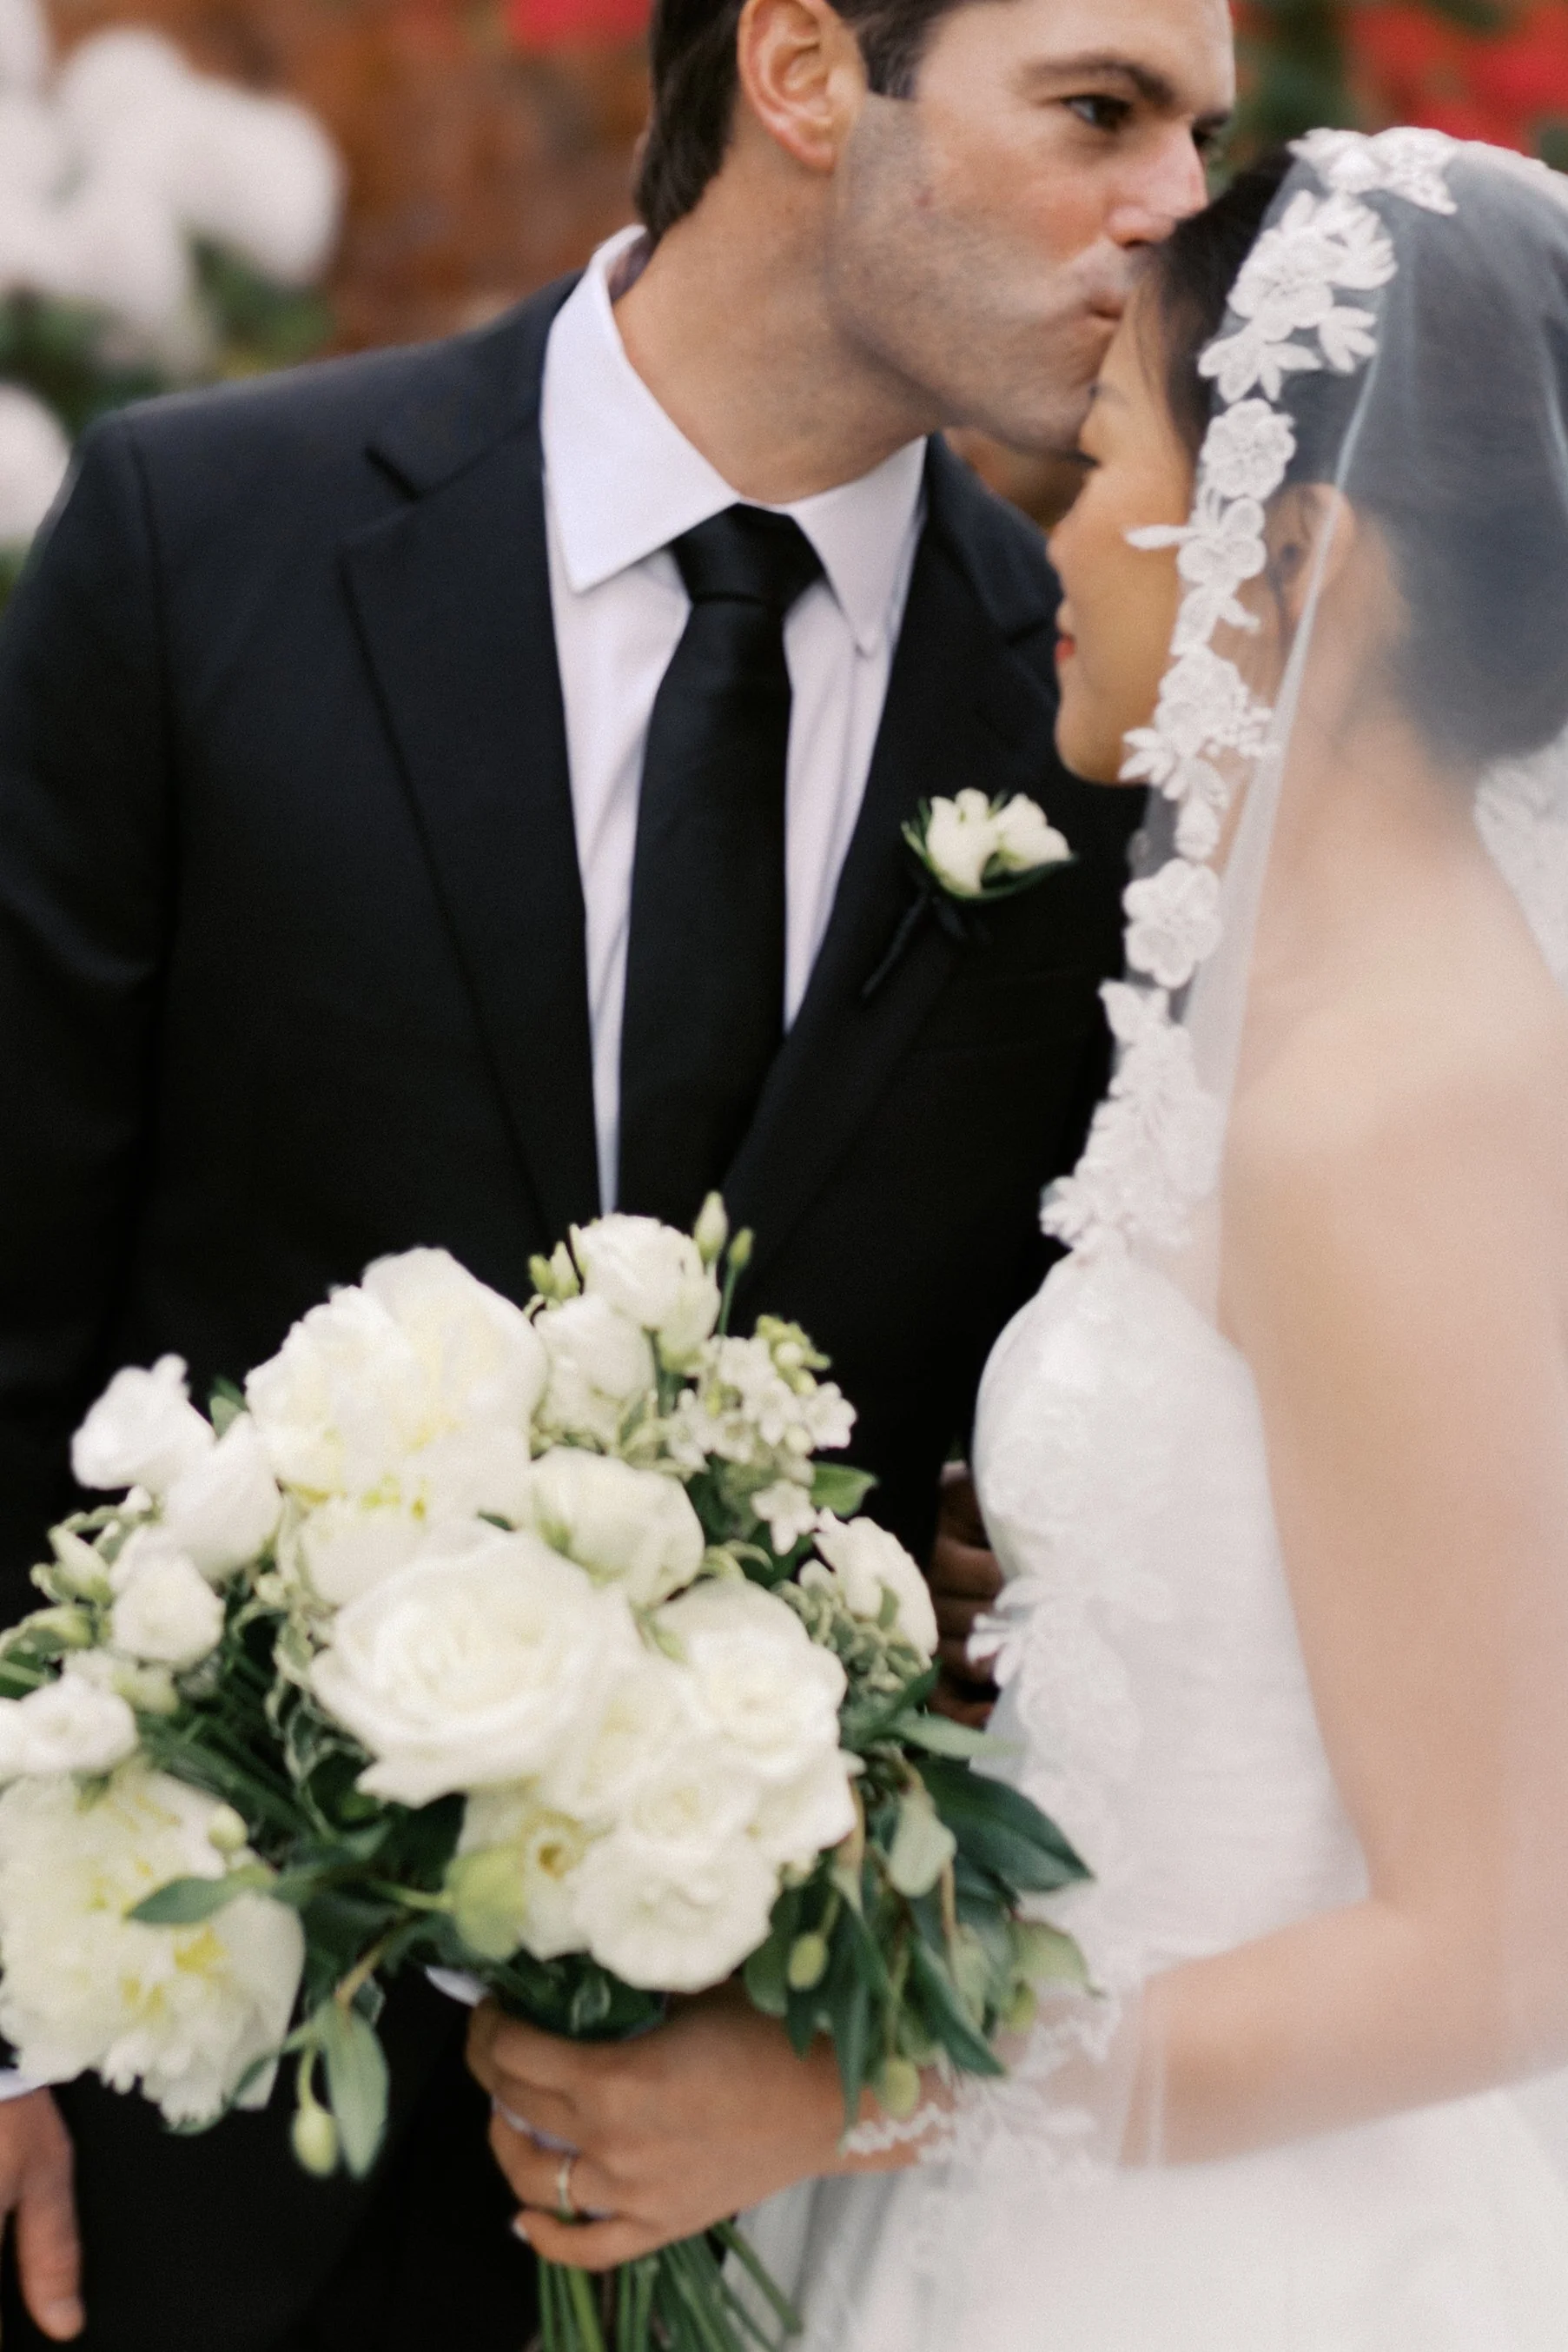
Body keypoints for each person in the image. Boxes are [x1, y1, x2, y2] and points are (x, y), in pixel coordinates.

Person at [0, 0, 1231, 2341]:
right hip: (179, 2141)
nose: (1173, 206)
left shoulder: (1121, 731)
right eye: (1098, 110)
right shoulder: (197, 542)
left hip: (781, 2195)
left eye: (1199, 134)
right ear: (797, 72)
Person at [468, 129, 1568, 2345]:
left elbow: (1500, 1943)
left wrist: (846, 2092)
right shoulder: (1280, 1019)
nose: (1044, 536)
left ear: (1295, 556)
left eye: (1103, 461)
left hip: (1247, 2256)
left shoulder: (1385, 1109)